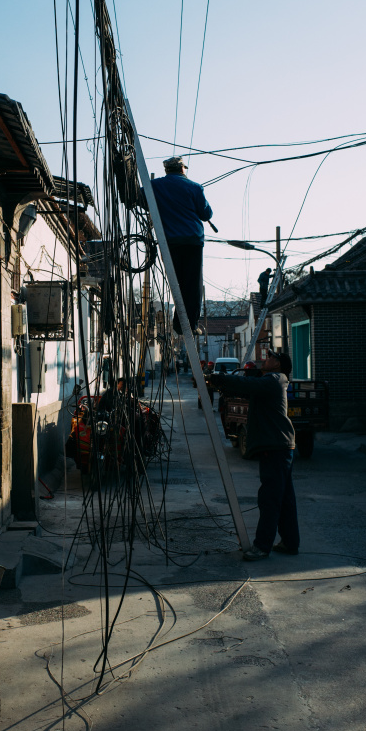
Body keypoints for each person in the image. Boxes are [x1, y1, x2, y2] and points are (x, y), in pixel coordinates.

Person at [210, 349, 299, 560]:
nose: (265, 359)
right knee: (284, 498)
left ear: (277, 364)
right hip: (280, 446)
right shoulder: (274, 381)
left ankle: (262, 546)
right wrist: (225, 385)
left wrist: (218, 378)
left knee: (269, 498)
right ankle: (290, 542)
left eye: (270, 357)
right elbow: (248, 390)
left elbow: (247, 385)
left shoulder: (274, 379)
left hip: (275, 447)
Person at [151, 156, 213, 333]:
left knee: (176, 282)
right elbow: (206, 214)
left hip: (169, 241)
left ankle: (179, 322)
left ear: (166, 170)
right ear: (182, 169)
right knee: (192, 285)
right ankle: (188, 324)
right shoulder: (194, 187)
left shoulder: (154, 186)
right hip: (192, 241)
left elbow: (138, 198)